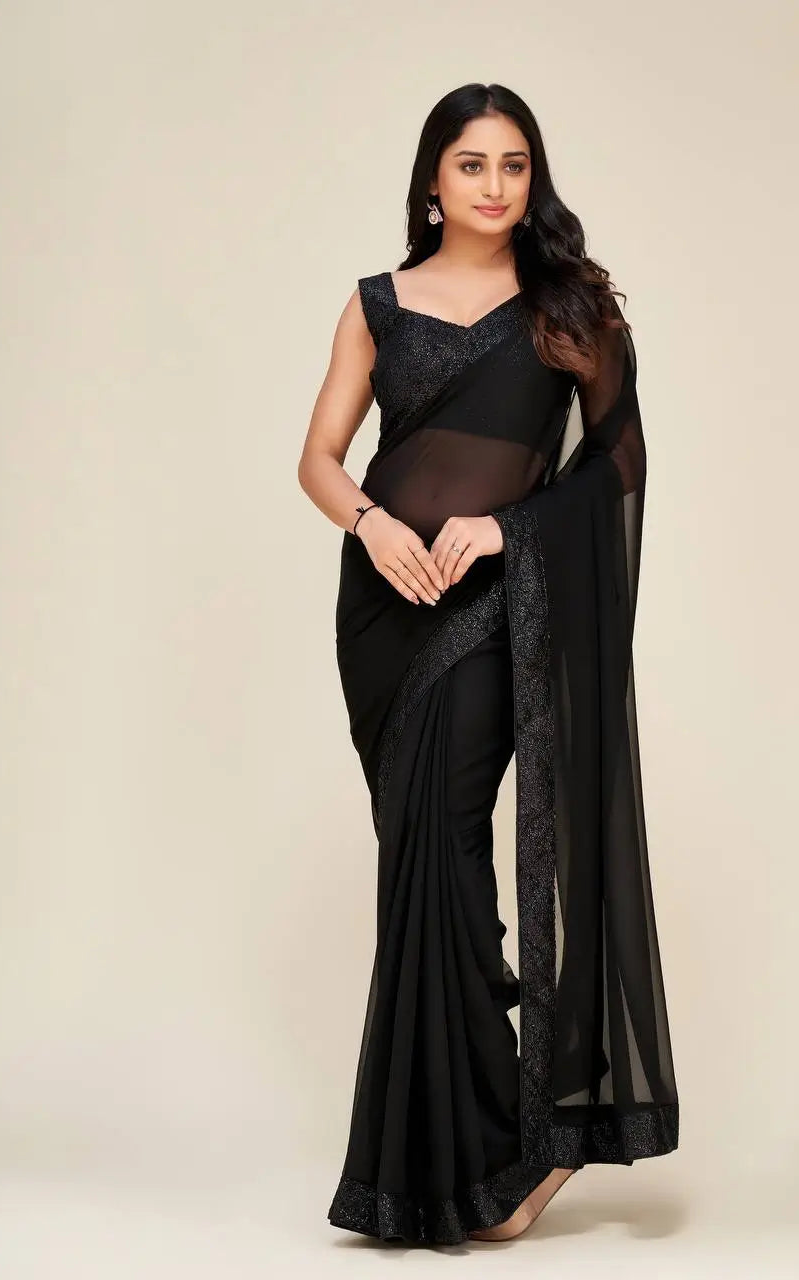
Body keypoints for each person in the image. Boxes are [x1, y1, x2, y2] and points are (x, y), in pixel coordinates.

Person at [297, 82, 678, 1246]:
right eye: (472, 164)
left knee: (450, 850)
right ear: (432, 180)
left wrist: (508, 529)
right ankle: (458, 1162)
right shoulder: (377, 302)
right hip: (384, 611)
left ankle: (528, 1143)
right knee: (418, 858)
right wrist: (370, 524)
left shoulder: (568, 307)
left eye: (514, 164)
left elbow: (617, 464)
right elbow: (318, 458)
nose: (495, 185)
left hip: (495, 610)